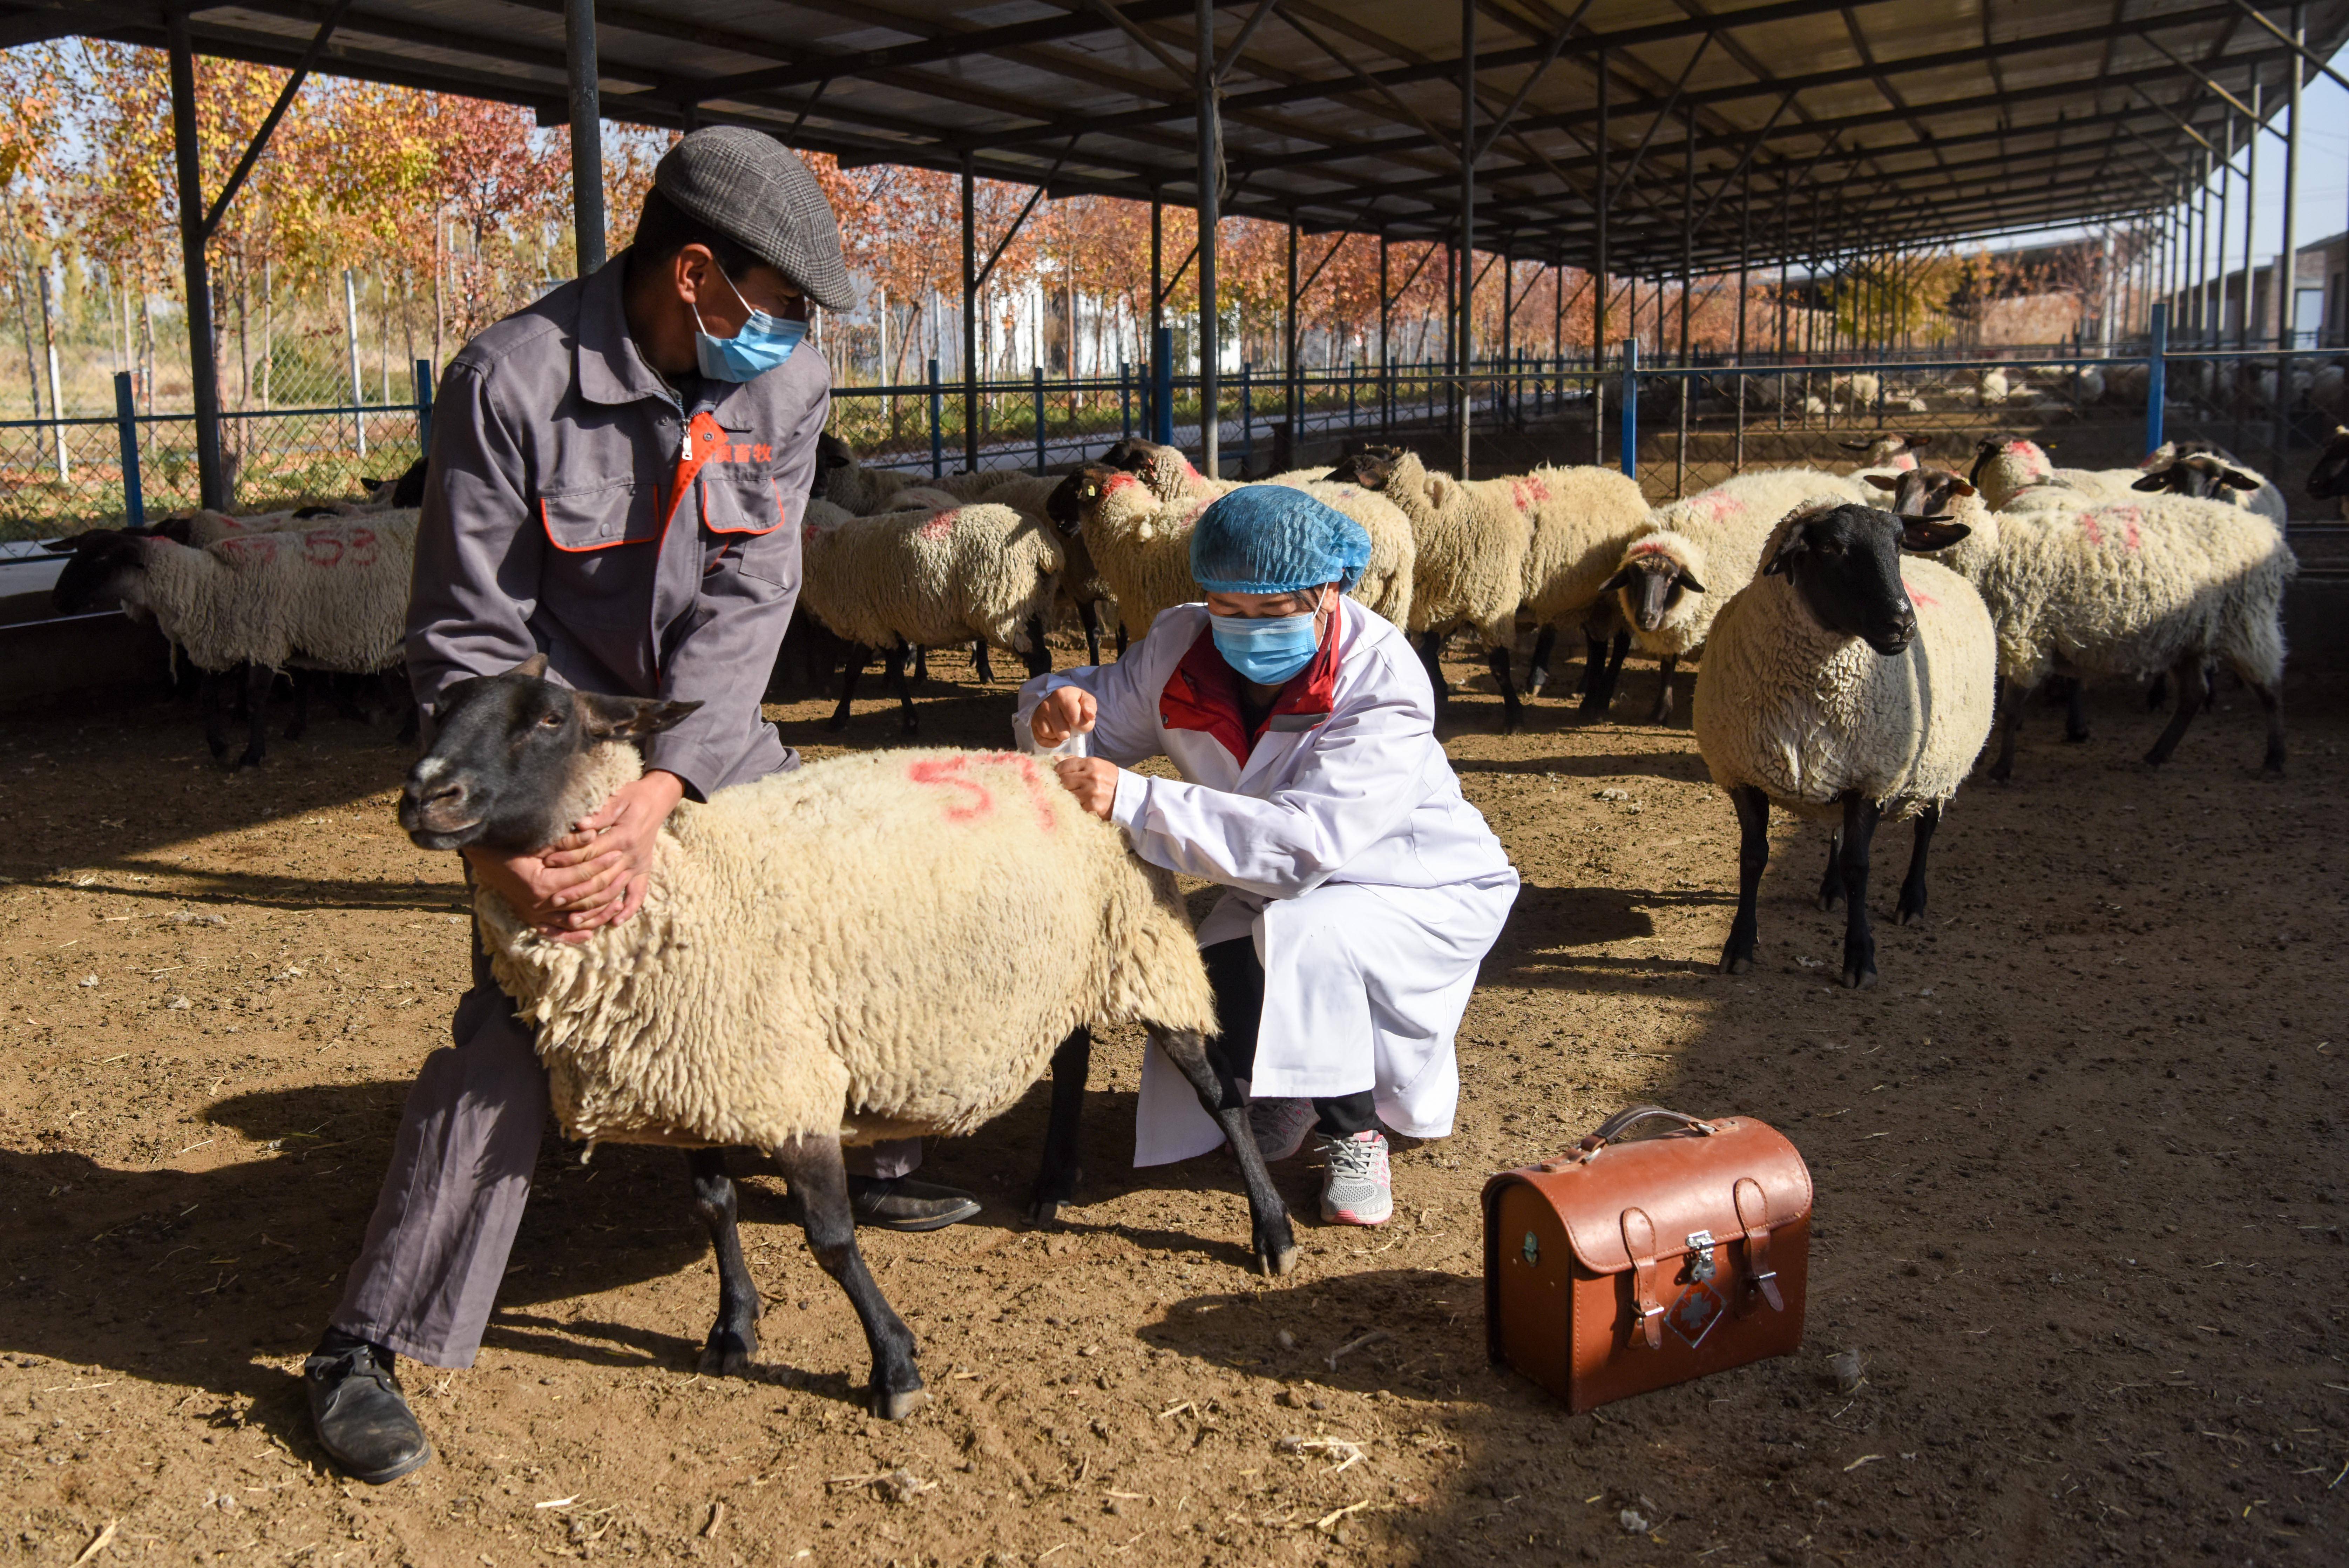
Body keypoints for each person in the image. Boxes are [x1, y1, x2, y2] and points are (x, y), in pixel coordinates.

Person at [305, 128, 976, 1487]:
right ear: (695, 273)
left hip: (702, 736)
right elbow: (464, 634)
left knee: (833, 900)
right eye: (776, 301)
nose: (785, 334)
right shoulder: (512, 381)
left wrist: (672, 785)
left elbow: (753, 598)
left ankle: (864, 1156)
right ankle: (366, 1340)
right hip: (543, 746)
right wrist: (509, 855)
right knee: (529, 1012)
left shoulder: (783, 383)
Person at [1017, 485, 1518, 1226]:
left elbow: (1301, 846)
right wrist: (1054, 713)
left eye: (1272, 611)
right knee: (1200, 978)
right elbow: (1093, 713)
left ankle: (1355, 1133)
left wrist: (1134, 800)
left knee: (1315, 938)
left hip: (1409, 886)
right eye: (1228, 607)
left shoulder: (1381, 681)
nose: (1246, 628)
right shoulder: (1180, 647)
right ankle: (1287, 1089)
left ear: (1326, 591)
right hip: (1271, 886)